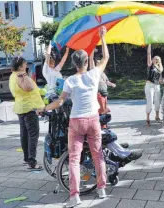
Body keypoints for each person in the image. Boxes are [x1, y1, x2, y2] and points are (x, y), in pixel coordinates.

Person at [37, 27, 109, 207]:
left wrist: (44, 107)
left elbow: (60, 103)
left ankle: (75, 196)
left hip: (76, 121)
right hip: (93, 120)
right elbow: (106, 57)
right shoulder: (94, 75)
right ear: (86, 62)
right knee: (97, 155)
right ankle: (101, 188)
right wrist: (103, 38)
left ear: (74, 63)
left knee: (74, 159)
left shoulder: (70, 81)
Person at [9, 56, 45, 170]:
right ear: (20, 66)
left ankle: (26, 158)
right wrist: (25, 76)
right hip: (29, 108)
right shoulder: (21, 76)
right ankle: (32, 162)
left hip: (21, 107)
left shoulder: (12, 75)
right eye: (25, 64)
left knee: (24, 135)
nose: (26, 66)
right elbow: (28, 88)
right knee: (33, 136)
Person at [89, 52, 116, 129]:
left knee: (104, 110)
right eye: (97, 63)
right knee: (101, 110)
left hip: (104, 94)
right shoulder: (93, 71)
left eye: (100, 63)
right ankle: (101, 126)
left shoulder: (103, 73)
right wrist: (91, 52)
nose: (99, 64)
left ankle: (104, 125)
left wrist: (112, 84)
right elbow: (91, 60)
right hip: (99, 94)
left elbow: (106, 81)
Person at [145, 44, 164, 126]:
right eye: (155, 59)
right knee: (150, 102)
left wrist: (162, 81)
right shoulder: (150, 65)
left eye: (157, 59)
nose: (156, 60)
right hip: (149, 85)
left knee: (157, 101)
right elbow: (149, 54)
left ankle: (157, 116)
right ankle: (148, 117)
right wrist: (149, 44)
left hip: (157, 86)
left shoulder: (160, 68)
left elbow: (160, 78)